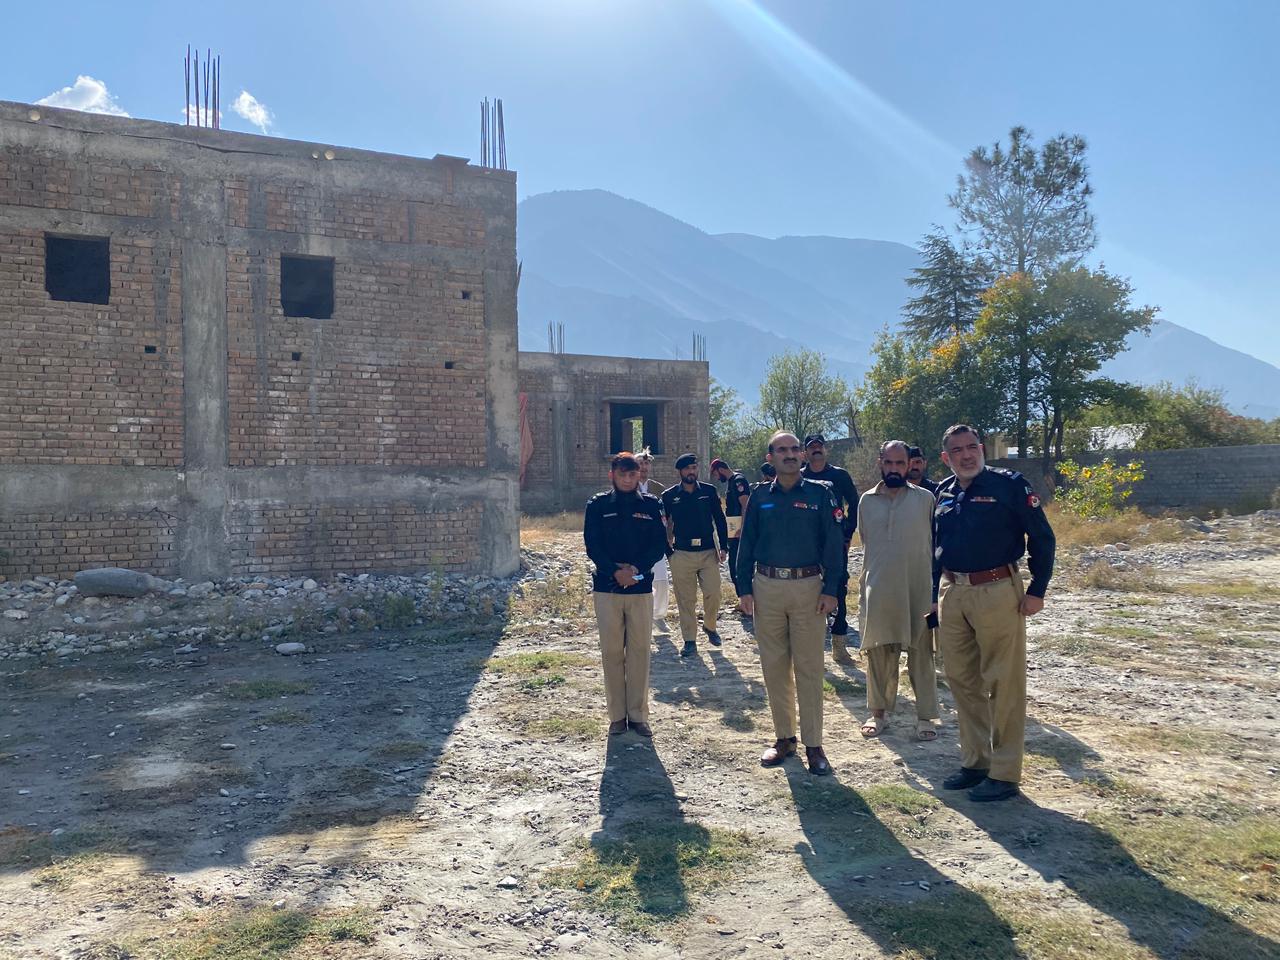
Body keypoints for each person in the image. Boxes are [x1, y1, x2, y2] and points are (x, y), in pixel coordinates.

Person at [933, 424, 1055, 802]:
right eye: (957, 450)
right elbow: (935, 547)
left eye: (972, 447)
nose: (966, 455)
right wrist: (932, 597)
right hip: (953, 592)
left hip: (998, 590)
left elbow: (1042, 537)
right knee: (961, 680)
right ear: (946, 457)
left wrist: (1037, 590)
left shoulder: (1009, 485)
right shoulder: (943, 491)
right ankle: (975, 762)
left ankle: (1004, 773)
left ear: (982, 448)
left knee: (1004, 682)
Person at [736, 432, 845, 775]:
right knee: (774, 666)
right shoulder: (759, 496)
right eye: (782, 450)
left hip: (808, 588)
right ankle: (784, 738)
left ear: (802, 455)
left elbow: (834, 544)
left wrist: (832, 589)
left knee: (809, 667)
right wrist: (743, 588)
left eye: (795, 449)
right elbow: (746, 543)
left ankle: (814, 744)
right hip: (767, 587)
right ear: (770, 457)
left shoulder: (820, 494)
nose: (790, 454)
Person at [856, 441, 940, 741]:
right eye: (888, 463)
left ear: (910, 465)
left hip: (918, 588)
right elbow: (868, 542)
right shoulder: (866, 501)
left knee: (922, 654)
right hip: (879, 587)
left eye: (900, 463)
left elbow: (935, 546)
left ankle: (926, 717)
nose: (894, 469)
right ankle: (878, 714)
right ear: (880, 463)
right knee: (879, 652)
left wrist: (936, 593)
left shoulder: (926, 499)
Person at [583, 452, 670, 738]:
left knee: (639, 652)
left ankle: (638, 715)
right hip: (607, 587)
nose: (628, 479)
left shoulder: (651, 505)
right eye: (622, 474)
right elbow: (593, 545)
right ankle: (617, 716)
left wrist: (635, 570)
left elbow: (658, 544)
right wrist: (614, 571)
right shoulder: (597, 505)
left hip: (640, 587)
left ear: (638, 475)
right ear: (612, 475)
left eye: (633, 474)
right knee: (611, 652)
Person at [662, 453, 729, 657]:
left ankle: (710, 626)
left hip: (708, 551)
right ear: (680, 472)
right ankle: (689, 640)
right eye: (687, 469)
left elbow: (719, 519)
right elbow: (663, 524)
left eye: (694, 468)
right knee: (686, 599)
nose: (691, 472)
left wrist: (723, 547)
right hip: (682, 553)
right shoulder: (669, 496)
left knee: (714, 593)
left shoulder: (708, 491)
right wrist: (669, 552)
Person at [800, 435, 859, 663]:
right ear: (805, 452)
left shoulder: (839, 475)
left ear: (825, 450)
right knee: (806, 591)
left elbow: (854, 503)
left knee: (838, 589)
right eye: (811, 447)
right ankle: (809, 648)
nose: (816, 450)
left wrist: (848, 533)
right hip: (807, 544)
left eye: (819, 446)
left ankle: (839, 645)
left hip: (835, 543)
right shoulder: (799, 476)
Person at [635, 449, 672, 632]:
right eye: (640, 464)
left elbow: (668, 515)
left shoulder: (658, 489)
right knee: (637, 579)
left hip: (655, 540)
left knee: (661, 581)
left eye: (646, 463)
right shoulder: (628, 487)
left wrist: (669, 536)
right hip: (634, 542)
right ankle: (639, 618)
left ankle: (658, 616)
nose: (643, 467)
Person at [711, 458, 752, 597]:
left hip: (739, 528)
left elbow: (745, 505)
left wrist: (743, 527)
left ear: (720, 470)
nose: (717, 478)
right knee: (733, 564)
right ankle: (742, 597)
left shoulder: (738, 480)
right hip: (734, 527)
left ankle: (746, 597)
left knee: (738, 564)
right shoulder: (732, 482)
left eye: (716, 474)